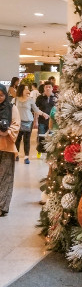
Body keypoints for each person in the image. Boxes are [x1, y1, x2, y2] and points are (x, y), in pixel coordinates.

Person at [15, 84, 49, 164]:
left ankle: (26, 157)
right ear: (21, 90)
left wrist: (43, 114)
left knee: (26, 140)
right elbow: (12, 110)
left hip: (28, 122)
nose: (28, 91)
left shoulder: (30, 100)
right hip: (18, 122)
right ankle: (16, 155)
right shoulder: (15, 100)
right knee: (17, 139)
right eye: (26, 89)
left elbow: (36, 110)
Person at [0, 83, 20, 216]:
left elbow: (16, 124)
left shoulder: (12, 108)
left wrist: (5, 133)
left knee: (5, 177)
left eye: (1, 95)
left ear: (5, 95)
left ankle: (2, 206)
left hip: (7, 147)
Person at [35, 81, 56, 158]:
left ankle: (49, 152)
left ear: (52, 88)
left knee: (51, 137)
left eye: (49, 87)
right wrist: (35, 121)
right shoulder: (39, 98)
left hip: (52, 121)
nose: (48, 88)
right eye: (46, 87)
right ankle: (40, 151)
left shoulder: (55, 98)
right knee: (41, 137)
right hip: (42, 121)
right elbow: (36, 110)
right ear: (44, 88)